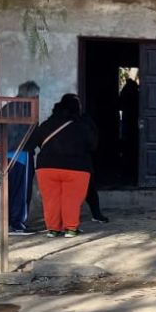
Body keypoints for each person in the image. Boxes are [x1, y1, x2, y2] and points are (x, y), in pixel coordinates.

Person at [29, 94, 98, 237]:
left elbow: (35, 141)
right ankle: (70, 228)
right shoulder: (82, 125)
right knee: (72, 199)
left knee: (50, 199)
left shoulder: (47, 124)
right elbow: (92, 145)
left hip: (46, 167)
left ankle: (53, 229)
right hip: (76, 167)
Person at [0, 80, 40, 236]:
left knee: (6, 190)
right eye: (36, 96)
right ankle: (18, 224)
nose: (37, 98)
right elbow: (34, 134)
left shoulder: (7, 107)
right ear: (33, 95)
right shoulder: (29, 109)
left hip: (3, 155)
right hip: (22, 155)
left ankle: (7, 222)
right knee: (21, 191)